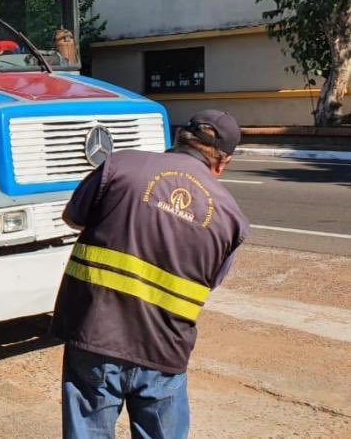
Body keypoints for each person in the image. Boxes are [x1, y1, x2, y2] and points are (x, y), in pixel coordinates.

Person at [52, 109, 249, 439]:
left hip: (95, 335)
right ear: (222, 162)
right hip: (164, 350)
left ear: (178, 139)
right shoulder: (231, 219)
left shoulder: (120, 166)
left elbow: (72, 217)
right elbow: (209, 282)